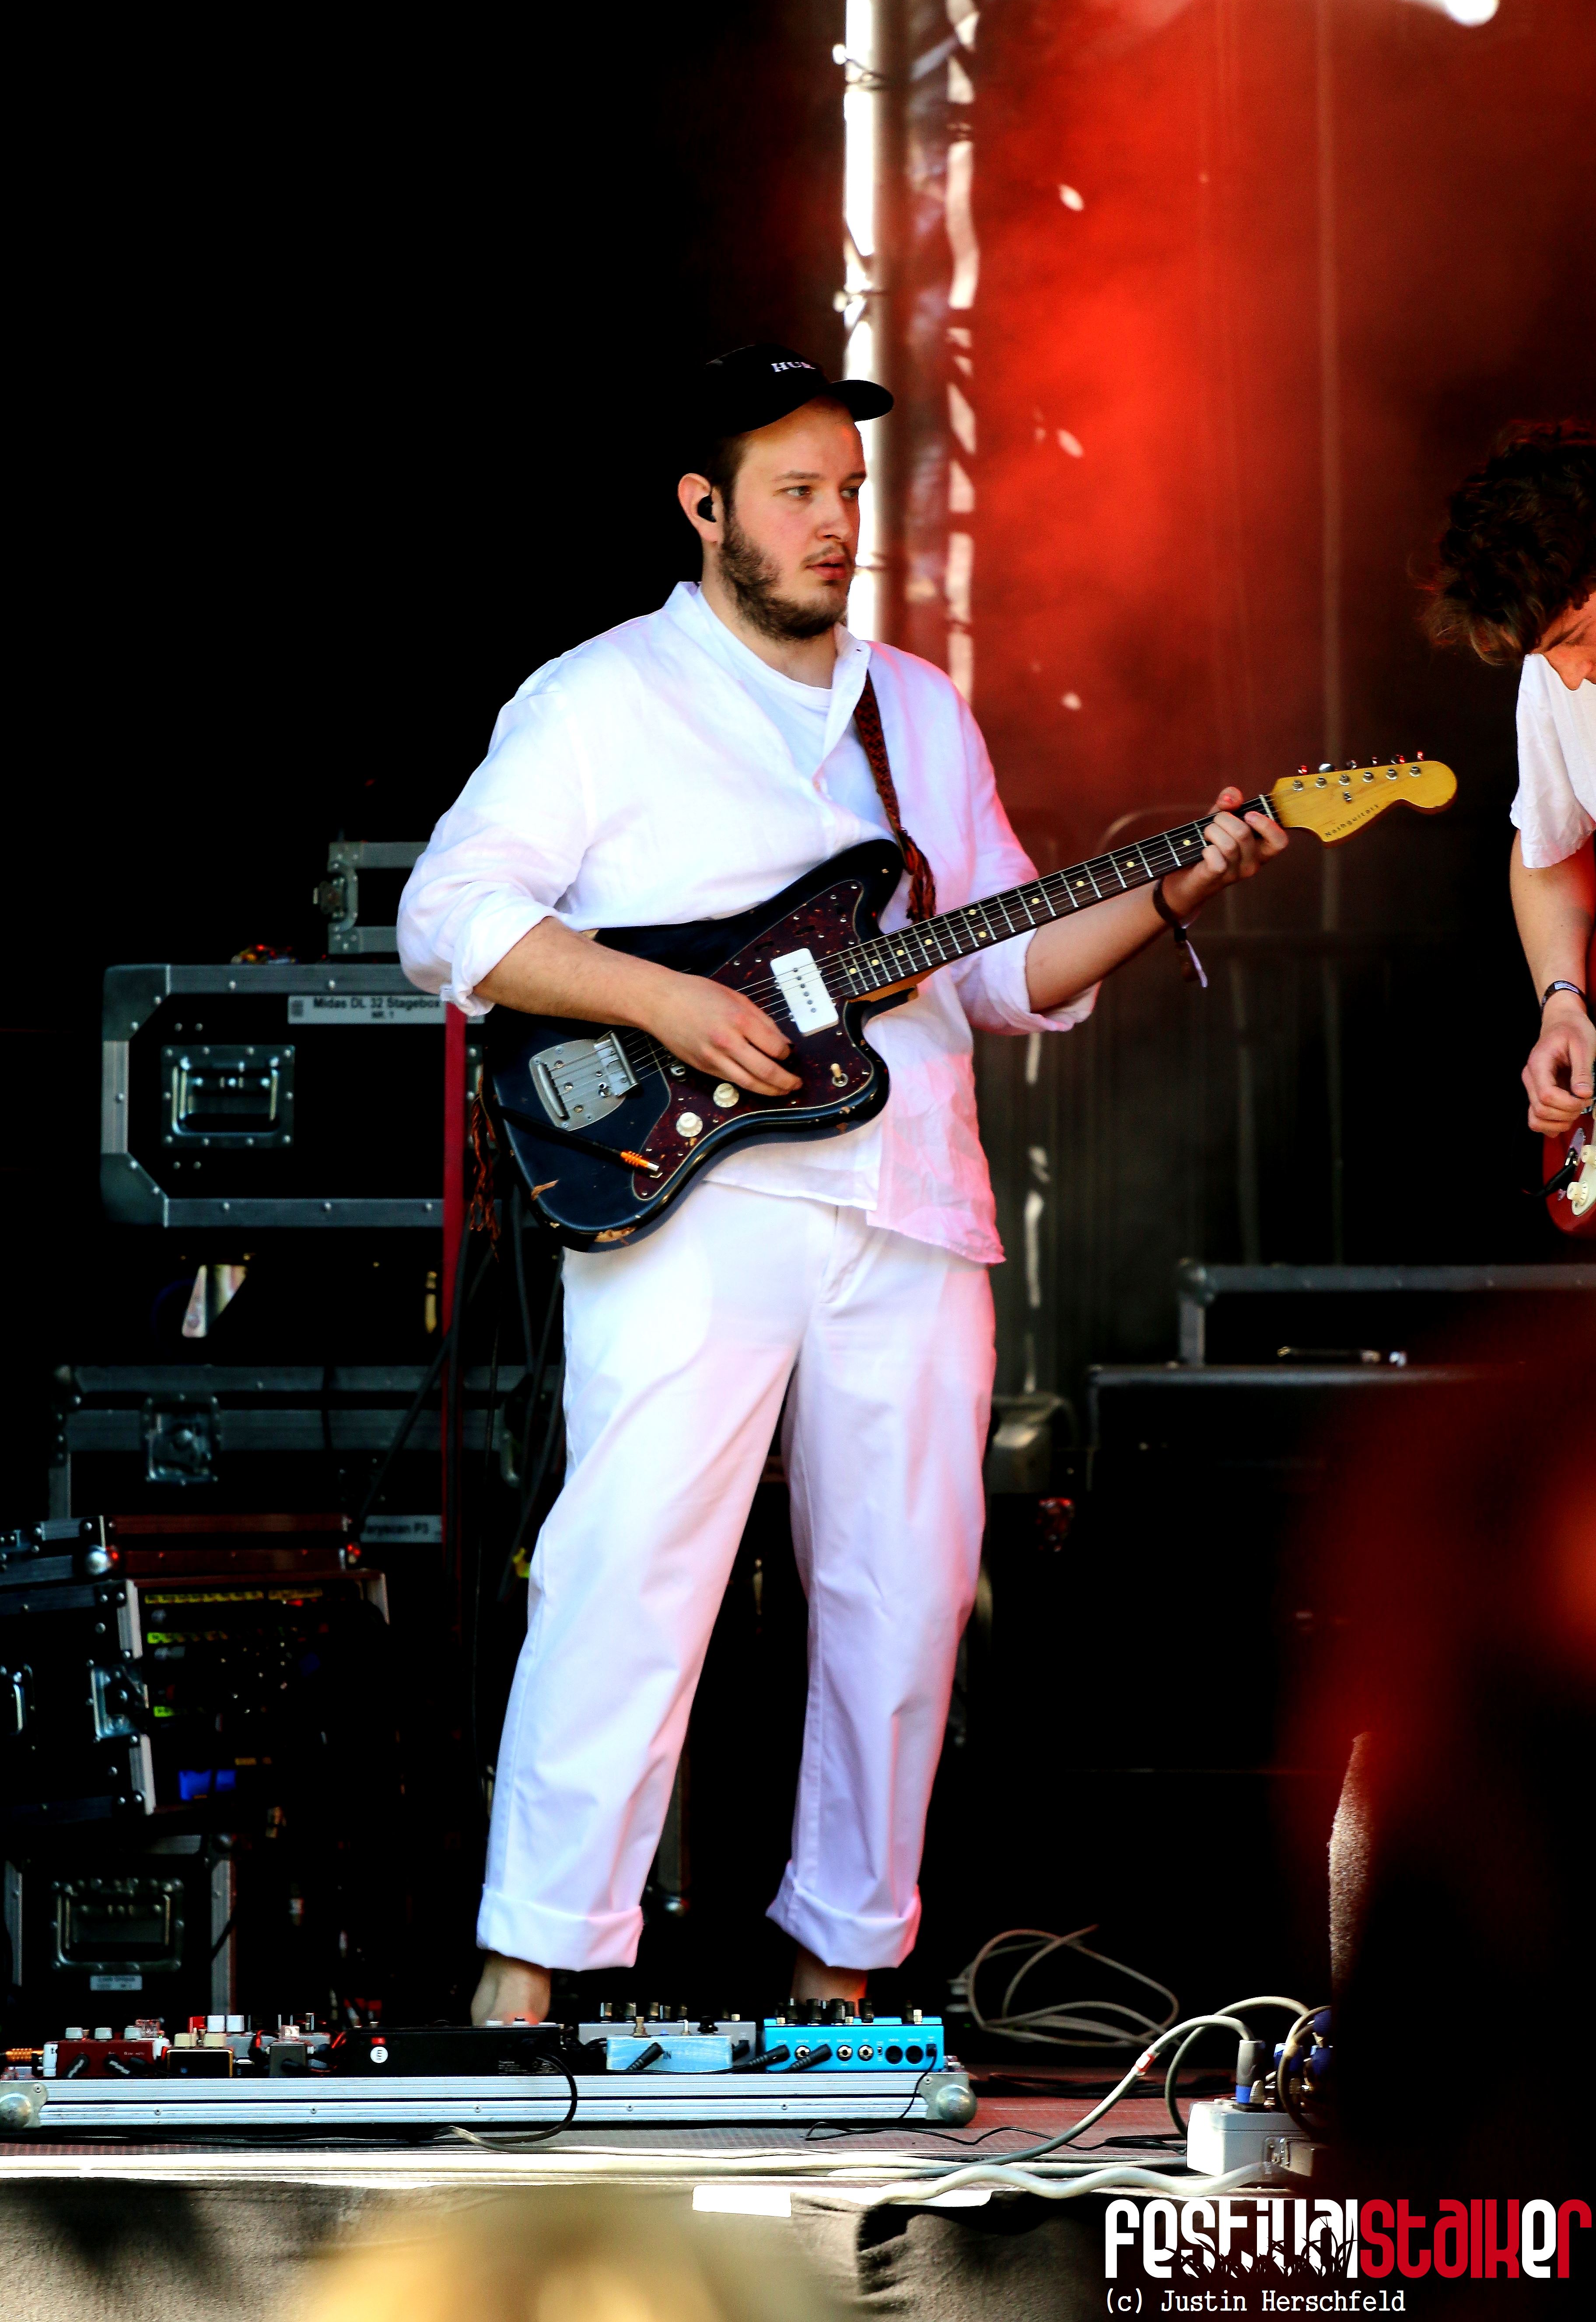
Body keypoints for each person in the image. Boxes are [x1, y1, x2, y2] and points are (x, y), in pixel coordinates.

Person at [397, 343, 1288, 2026]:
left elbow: (1002, 966)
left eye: (849, 494)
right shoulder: (597, 698)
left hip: (909, 1196)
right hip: (695, 1195)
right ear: (703, 506)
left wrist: (1176, 885)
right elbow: (447, 918)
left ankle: (842, 1976)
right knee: (632, 1564)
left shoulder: (917, 710)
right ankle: (527, 1978)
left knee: (907, 1590)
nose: (832, 524)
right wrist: (664, 1002)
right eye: (796, 492)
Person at [1423, 421, 1596, 1136]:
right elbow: (1549, 847)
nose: (1570, 676)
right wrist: (1563, 1001)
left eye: (1576, 641)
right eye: (1547, 655)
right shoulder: (1551, 669)